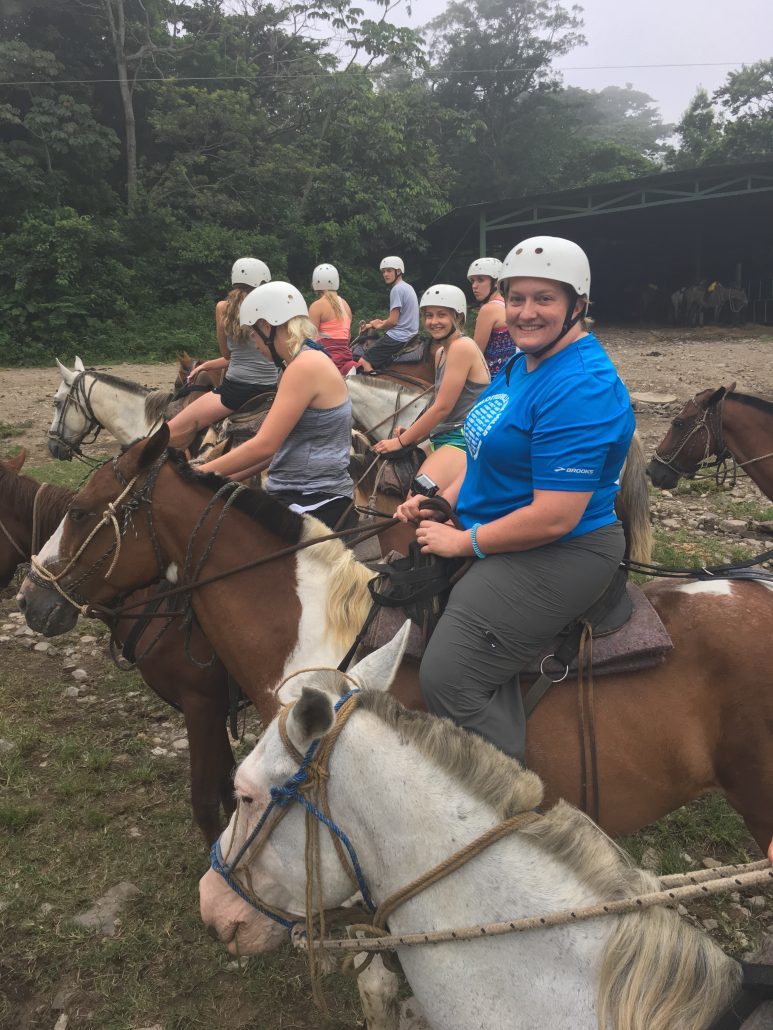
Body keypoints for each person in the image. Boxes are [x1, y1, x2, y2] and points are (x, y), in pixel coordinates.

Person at [395, 236, 635, 765]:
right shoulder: (520, 365)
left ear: (578, 305)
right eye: (517, 297)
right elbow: (487, 457)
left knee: (448, 676)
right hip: (498, 523)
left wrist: (464, 541)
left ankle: (503, 808)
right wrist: (442, 499)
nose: (526, 313)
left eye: (544, 299)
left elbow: (555, 515)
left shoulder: (581, 386)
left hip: (562, 548)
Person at [197, 282, 355, 529]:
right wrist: (217, 477)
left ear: (267, 327)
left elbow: (265, 445)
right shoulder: (303, 360)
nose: (255, 344)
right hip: (300, 493)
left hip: (312, 499)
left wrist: (198, 474)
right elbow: (277, 448)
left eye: (252, 334)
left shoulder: (304, 367)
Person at [373, 284, 489, 490]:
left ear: (458, 317)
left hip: (463, 437)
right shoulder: (441, 354)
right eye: (429, 315)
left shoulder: (462, 347)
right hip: (443, 433)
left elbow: (443, 408)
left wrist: (401, 442)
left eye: (441, 315)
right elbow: (437, 403)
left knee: (419, 499)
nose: (433, 322)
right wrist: (414, 433)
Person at [167, 258, 278, 447]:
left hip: (234, 392)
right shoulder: (272, 307)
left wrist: (205, 366)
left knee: (170, 431)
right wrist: (208, 365)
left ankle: (183, 466)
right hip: (271, 389)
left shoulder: (222, 308)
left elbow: (228, 355)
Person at [355, 256, 420, 373]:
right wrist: (372, 325)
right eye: (383, 271)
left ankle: (373, 387)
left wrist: (379, 326)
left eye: (389, 270)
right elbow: (397, 320)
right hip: (411, 334)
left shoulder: (396, 290)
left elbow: (393, 321)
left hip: (398, 337)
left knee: (363, 362)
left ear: (398, 271)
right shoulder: (407, 287)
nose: (385, 274)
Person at [467, 256, 518, 376]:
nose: (474, 286)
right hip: (511, 375)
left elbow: (476, 354)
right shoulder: (509, 304)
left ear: (496, 282)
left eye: (480, 280)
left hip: (492, 380)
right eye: (473, 281)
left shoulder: (488, 309)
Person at [308, 263, 357, 376]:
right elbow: (348, 337)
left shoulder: (317, 306)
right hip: (346, 359)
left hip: (326, 358)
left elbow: (311, 339)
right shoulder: (345, 305)